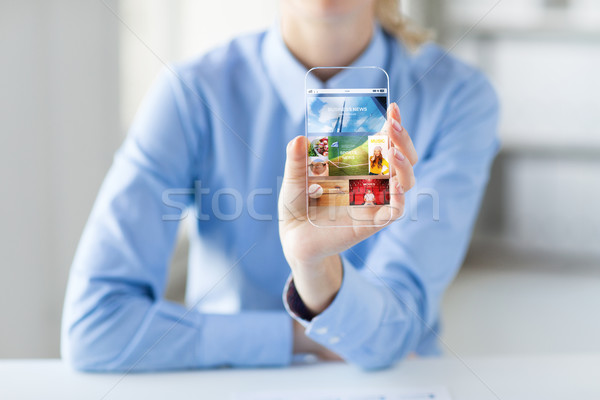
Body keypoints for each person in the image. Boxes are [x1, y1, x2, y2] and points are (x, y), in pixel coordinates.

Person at [62, 0, 499, 372]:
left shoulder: (456, 97)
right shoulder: (191, 93)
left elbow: (395, 332)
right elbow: (95, 328)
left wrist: (317, 269)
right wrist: (298, 337)